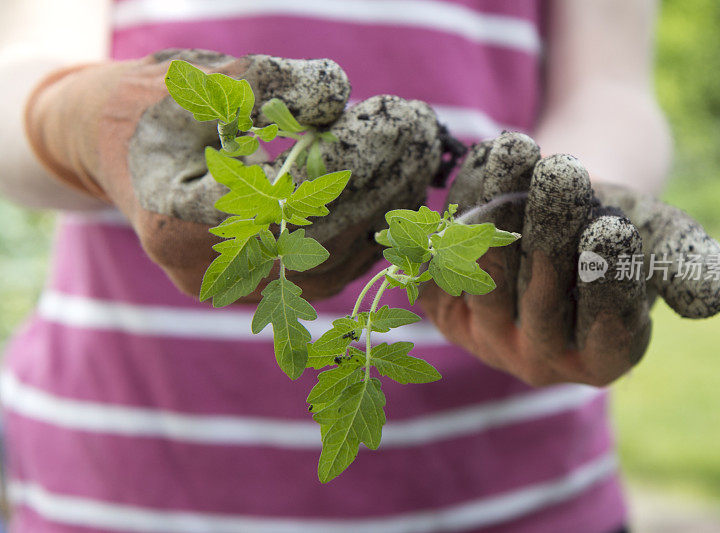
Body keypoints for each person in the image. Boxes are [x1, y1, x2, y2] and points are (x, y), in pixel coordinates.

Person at [0, 0, 678, 531]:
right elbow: (20, 75)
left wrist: (559, 222)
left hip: (517, 490)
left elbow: (612, 88)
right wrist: (76, 122)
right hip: (119, 481)